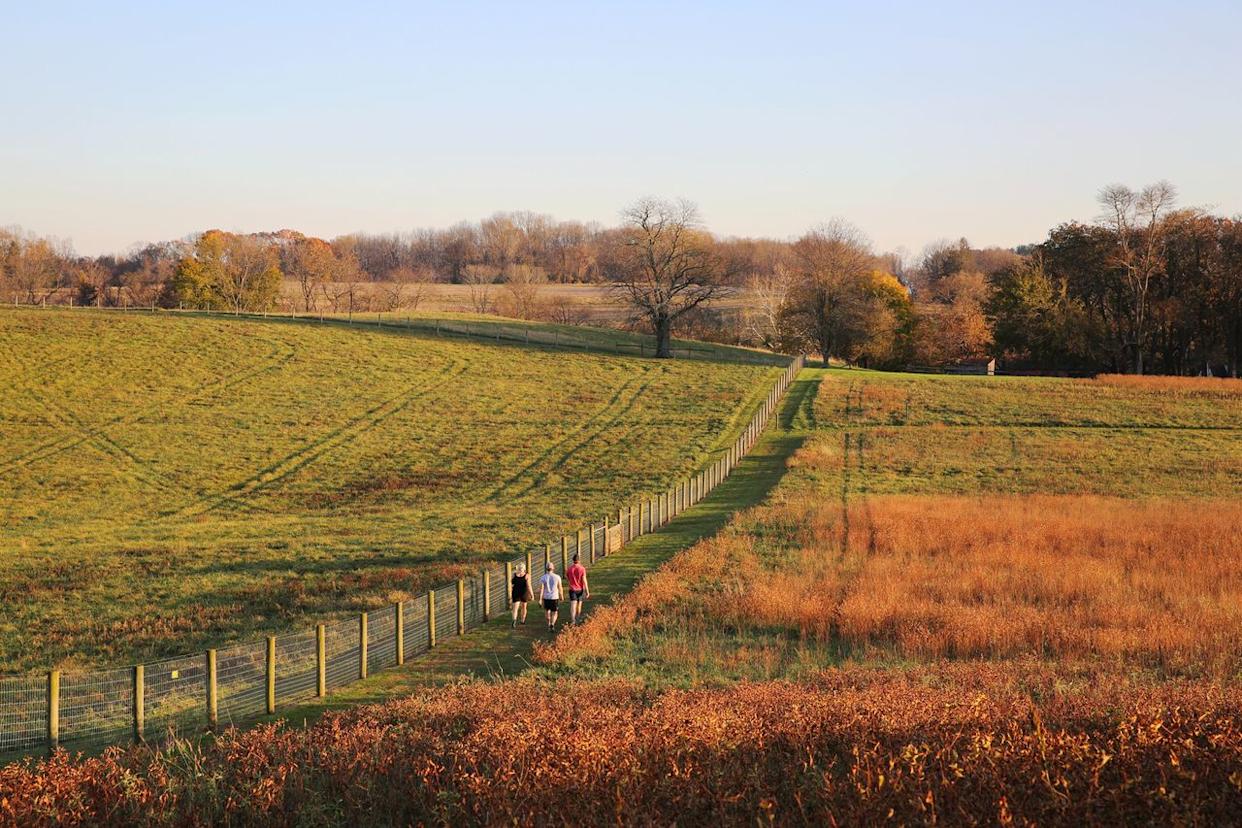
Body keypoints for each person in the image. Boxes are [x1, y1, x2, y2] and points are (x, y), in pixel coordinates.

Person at [566, 552, 590, 625]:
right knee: (579, 604)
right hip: (580, 589)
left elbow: (568, 578)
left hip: (572, 589)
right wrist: (587, 591)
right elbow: (584, 580)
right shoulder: (582, 569)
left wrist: (570, 583)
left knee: (573, 605)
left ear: (573, 560)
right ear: (579, 560)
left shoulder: (569, 569)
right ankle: (578, 618)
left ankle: (573, 620)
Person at [538, 561, 563, 632]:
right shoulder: (557, 577)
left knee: (547, 611)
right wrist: (561, 595)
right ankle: (552, 624)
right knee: (555, 612)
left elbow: (542, 589)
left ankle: (549, 624)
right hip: (554, 597)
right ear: (553, 568)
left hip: (546, 597)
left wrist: (540, 599)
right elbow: (560, 587)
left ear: (546, 568)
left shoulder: (543, 577)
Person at [510, 563, 531, 628]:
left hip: (515, 593)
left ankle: (514, 621)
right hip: (524, 593)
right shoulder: (527, 575)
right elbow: (529, 586)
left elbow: (511, 584)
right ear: (524, 568)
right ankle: (522, 620)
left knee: (515, 608)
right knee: (524, 607)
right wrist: (531, 594)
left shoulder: (513, 575)